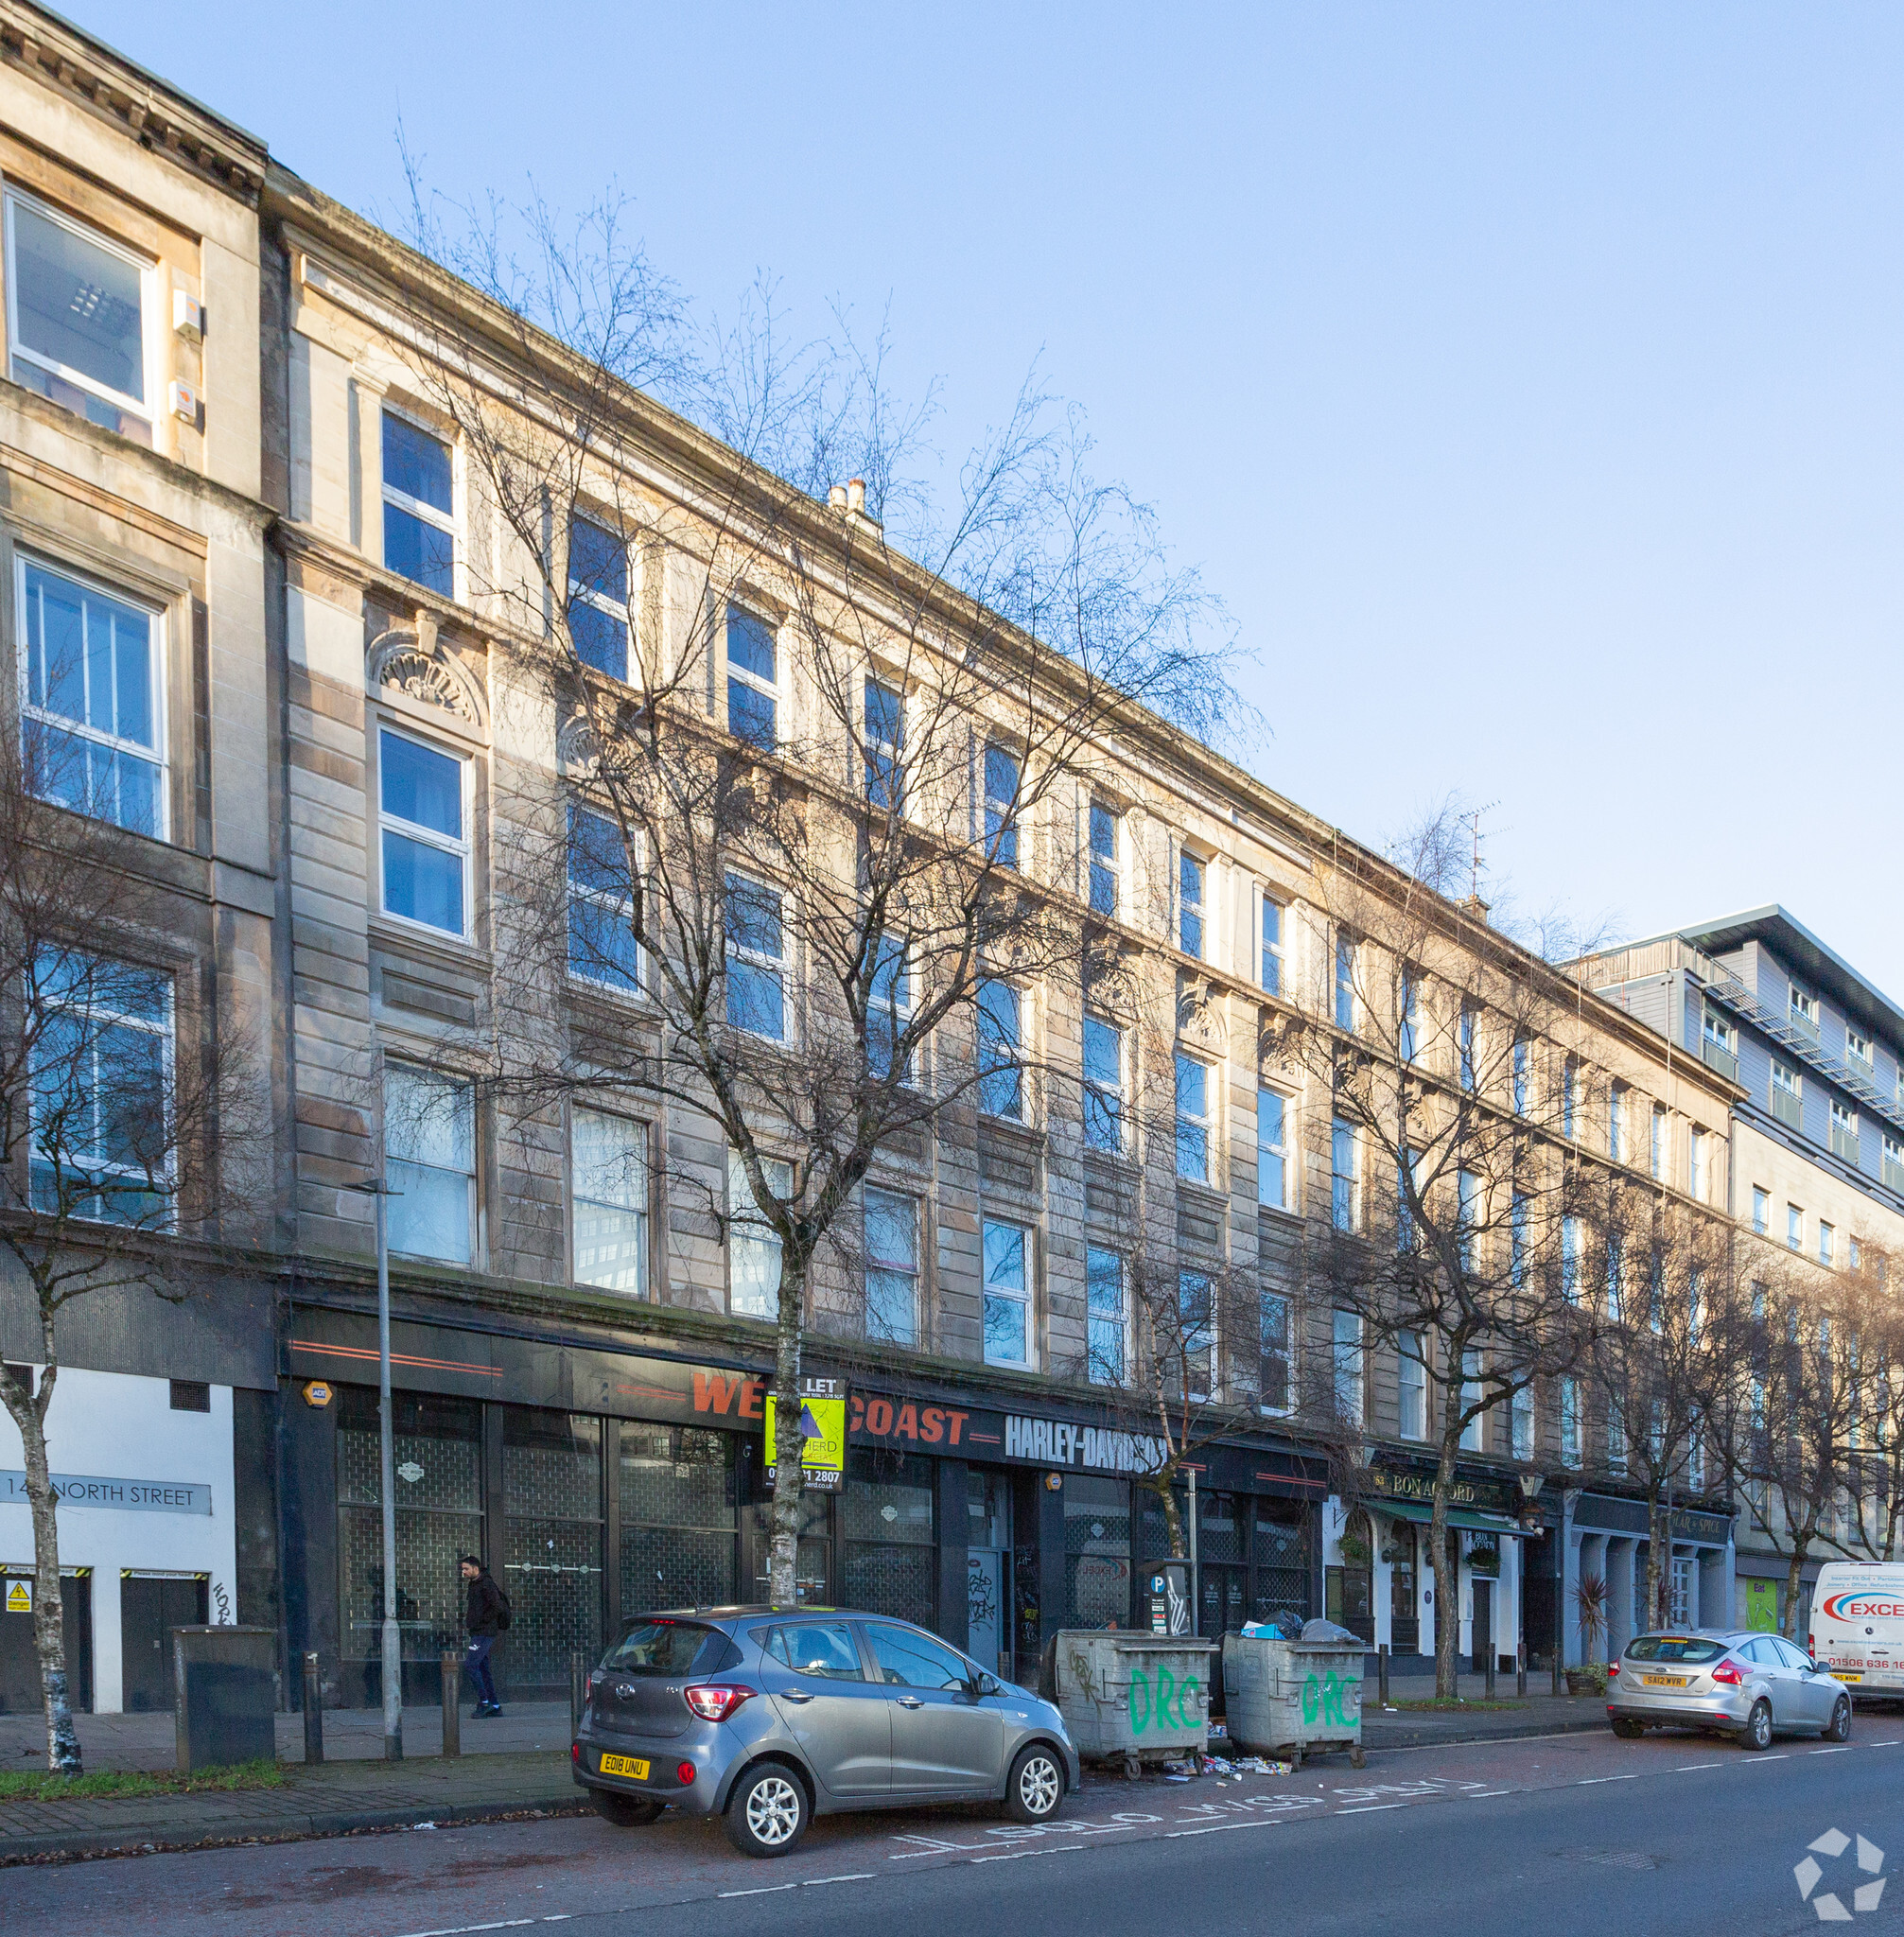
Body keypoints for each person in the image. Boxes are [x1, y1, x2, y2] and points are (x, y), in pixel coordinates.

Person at [460, 1554, 506, 1718]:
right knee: (483, 1668)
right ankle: (494, 1705)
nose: (463, 1572)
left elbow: (497, 1607)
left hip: (484, 1633)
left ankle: (484, 1702)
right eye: (462, 1569)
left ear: (475, 1568)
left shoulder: (486, 1584)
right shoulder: (474, 1584)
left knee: (471, 1665)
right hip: (478, 1632)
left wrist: (482, 1621)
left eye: (466, 1569)